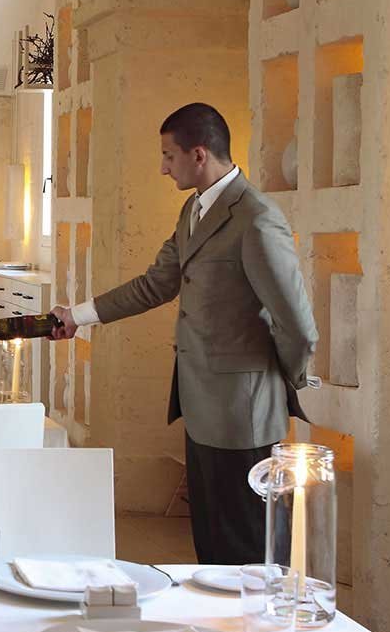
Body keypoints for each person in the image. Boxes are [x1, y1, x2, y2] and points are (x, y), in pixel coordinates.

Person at [46, 103, 317, 566]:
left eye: (168, 156)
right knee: (210, 545)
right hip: (201, 405)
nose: (163, 167)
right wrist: (77, 316)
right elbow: (156, 284)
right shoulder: (194, 209)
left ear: (199, 154)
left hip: (244, 413)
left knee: (249, 550)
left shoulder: (256, 219)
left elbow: (299, 326)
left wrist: (277, 382)